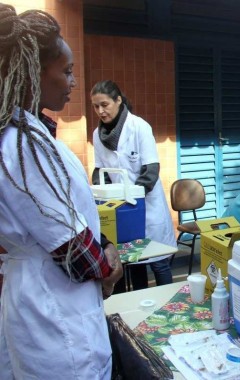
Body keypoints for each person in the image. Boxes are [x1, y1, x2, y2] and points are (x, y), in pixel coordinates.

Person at [0, 4, 123, 378]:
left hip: (46, 298)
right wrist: (108, 266)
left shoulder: (27, 133)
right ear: (33, 73)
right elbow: (70, 246)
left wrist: (102, 243)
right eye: (66, 71)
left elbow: (66, 213)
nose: (73, 82)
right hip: (56, 314)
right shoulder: (21, 144)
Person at [90, 80, 175, 290]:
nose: (100, 111)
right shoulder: (97, 135)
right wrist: (107, 199)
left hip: (147, 207)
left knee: (158, 262)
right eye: (96, 106)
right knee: (133, 260)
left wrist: (132, 201)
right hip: (122, 210)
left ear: (118, 101)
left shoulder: (139, 127)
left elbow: (151, 171)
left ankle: (165, 302)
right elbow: (101, 172)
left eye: (105, 104)